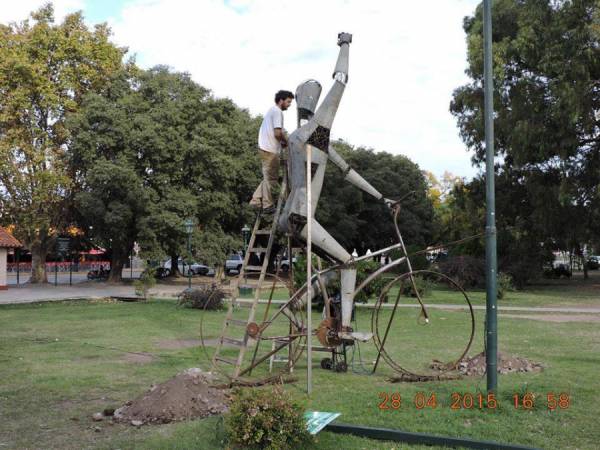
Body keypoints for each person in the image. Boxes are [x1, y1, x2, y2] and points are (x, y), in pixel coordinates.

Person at [249, 90, 294, 212]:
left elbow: (280, 131)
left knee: (269, 177)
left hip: (266, 148)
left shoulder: (272, 111)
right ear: (281, 100)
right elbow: (278, 133)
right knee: (271, 179)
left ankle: (256, 200)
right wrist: (285, 142)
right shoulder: (277, 112)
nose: (289, 105)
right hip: (270, 149)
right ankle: (267, 204)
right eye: (288, 102)